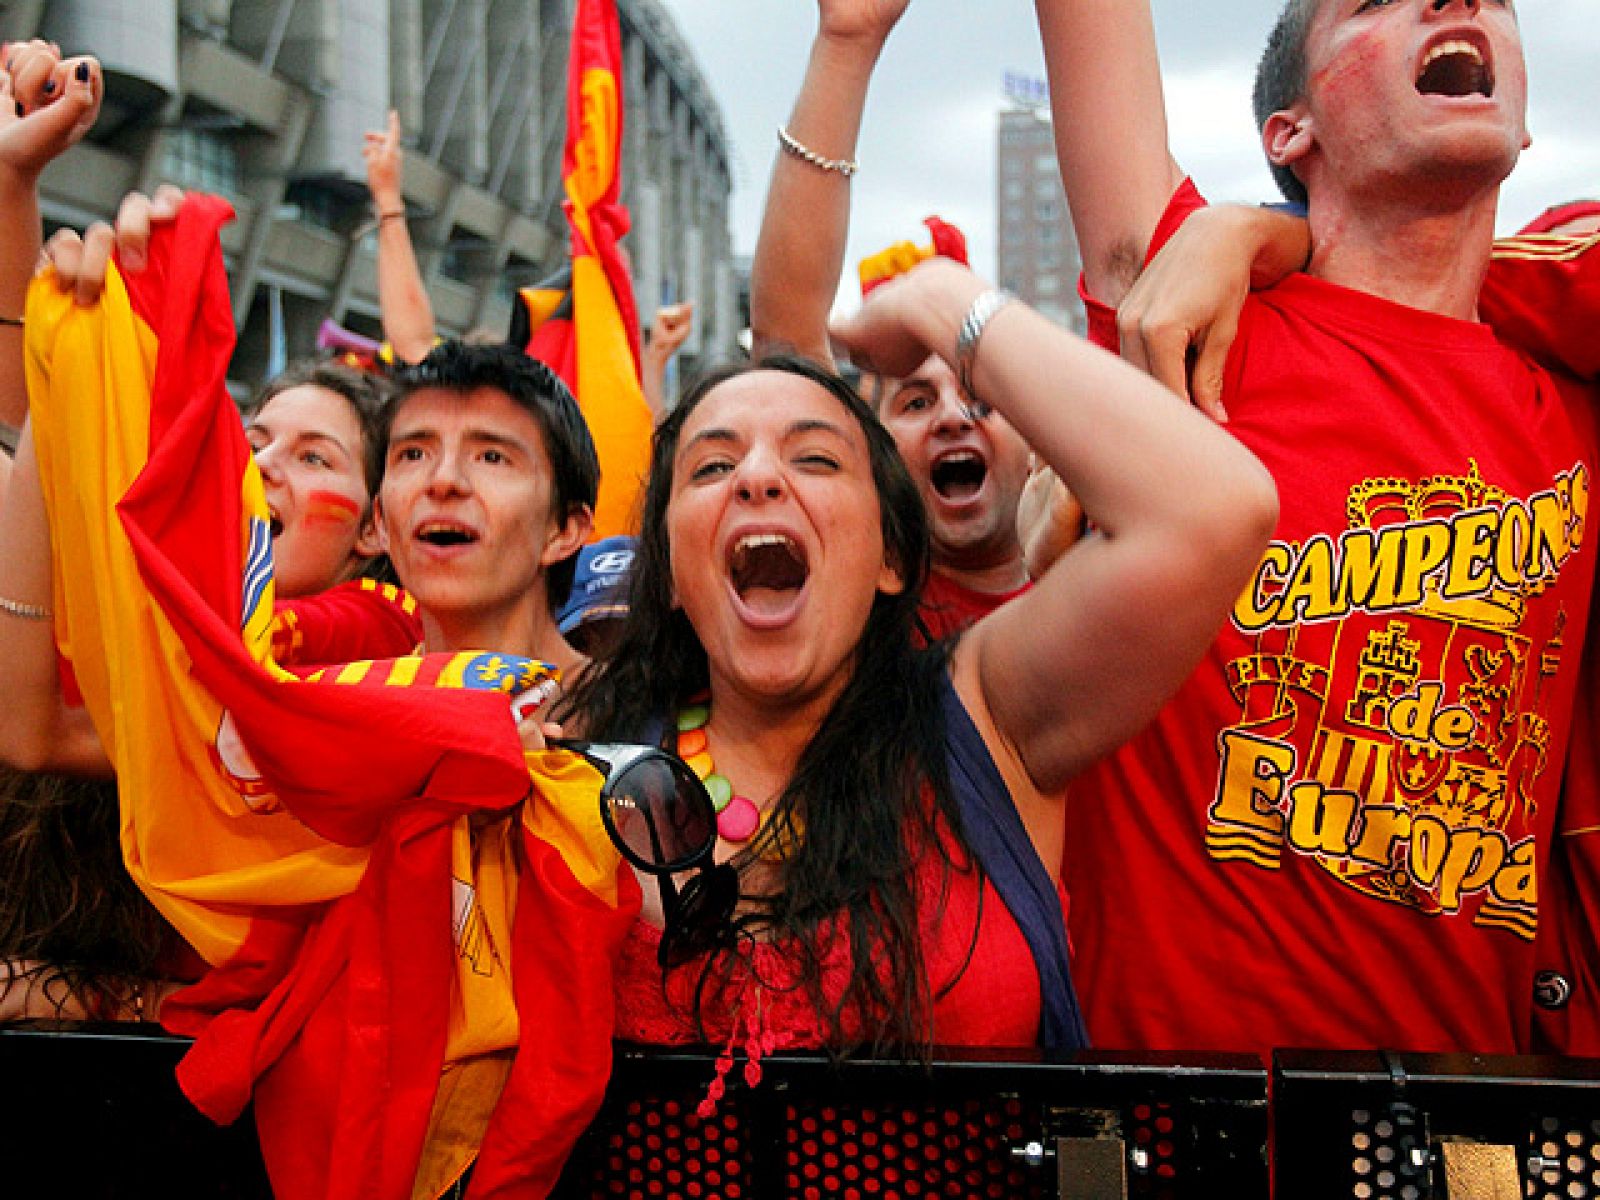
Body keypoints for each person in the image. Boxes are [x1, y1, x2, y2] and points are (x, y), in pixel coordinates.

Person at [1033, 0, 1600, 1057]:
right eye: (1373, 2)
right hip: (1184, 1124)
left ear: (1523, 128)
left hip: (1467, 1135)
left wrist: (1255, 225)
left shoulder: (1577, 406)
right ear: (1289, 131)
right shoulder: (1187, 328)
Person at [563, 253, 1276, 1060]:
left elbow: (1222, 509)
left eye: (815, 458)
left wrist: (946, 303)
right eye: (714, 465)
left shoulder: (983, 717)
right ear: (672, 578)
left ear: (890, 560)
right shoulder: (579, 751)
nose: (757, 477)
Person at [748, 0, 1056, 642]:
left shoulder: (1103, 582)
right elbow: (787, 349)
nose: (951, 417)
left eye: (983, 397)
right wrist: (845, 41)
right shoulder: (862, 608)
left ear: (1037, 441)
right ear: (875, 455)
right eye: (915, 402)